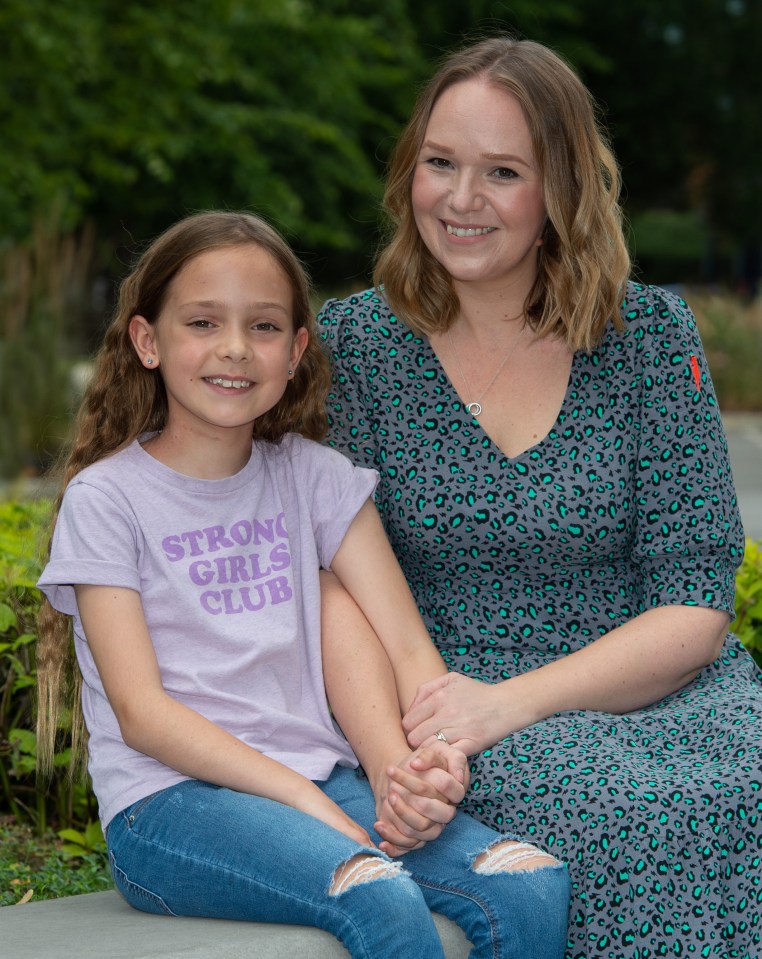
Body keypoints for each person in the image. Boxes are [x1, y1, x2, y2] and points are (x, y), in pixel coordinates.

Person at [318, 36, 762, 959]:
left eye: (503, 172)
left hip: (653, 687)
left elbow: (695, 602)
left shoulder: (646, 333)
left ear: (559, 189)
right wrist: (417, 744)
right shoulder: (353, 348)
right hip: (445, 698)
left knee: (739, 789)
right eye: (440, 163)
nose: (461, 199)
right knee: (646, 820)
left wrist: (514, 702)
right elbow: (329, 579)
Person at [34, 211, 570, 959]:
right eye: (202, 321)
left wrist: (422, 768)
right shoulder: (108, 499)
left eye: (262, 326)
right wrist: (303, 799)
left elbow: (410, 650)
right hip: (170, 807)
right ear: (147, 340)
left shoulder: (314, 478)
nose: (233, 348)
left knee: (530, 883)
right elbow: (143, 714)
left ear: (295, 351)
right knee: (377, 895)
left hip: (326, 784)